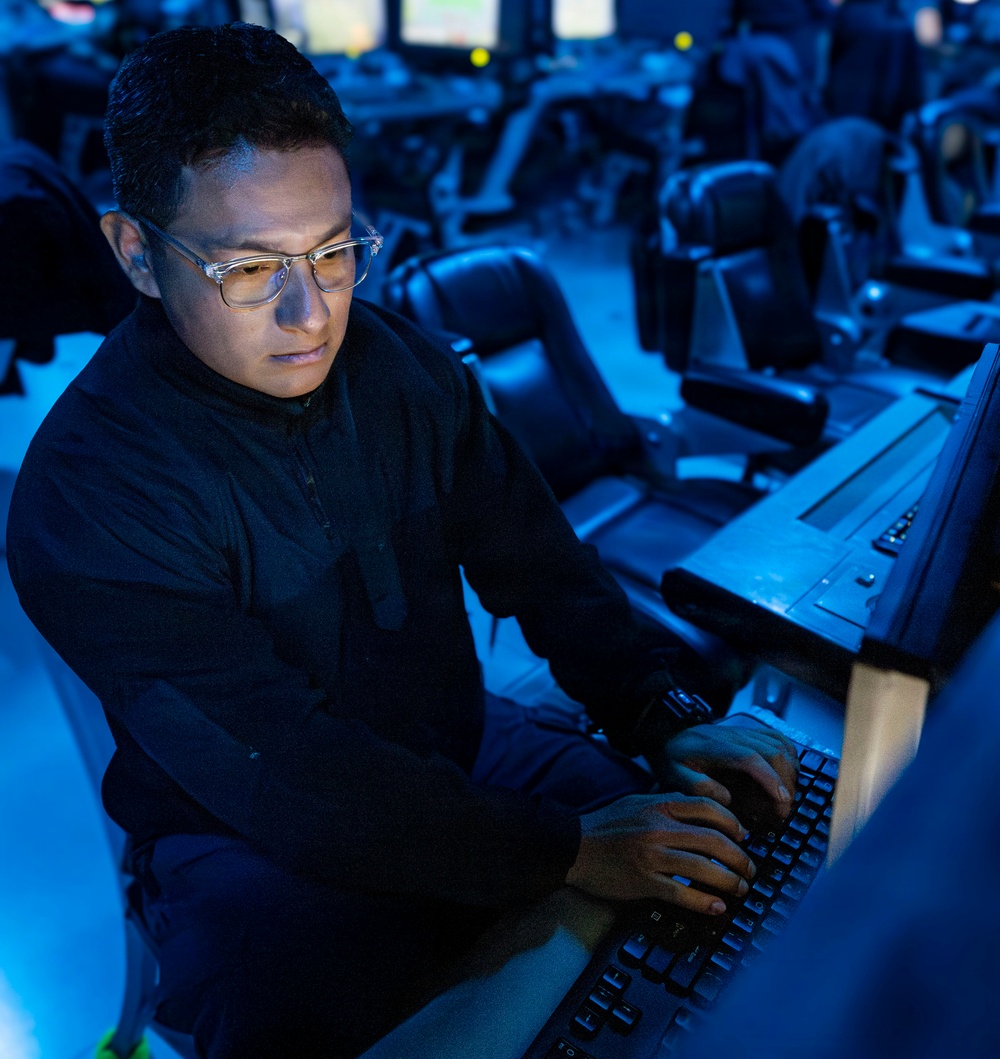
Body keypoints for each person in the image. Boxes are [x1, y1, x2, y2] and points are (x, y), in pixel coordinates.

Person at [5, 23, 798, 1059]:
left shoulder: (399, 365)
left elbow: (543, 563)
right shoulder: (90, 495)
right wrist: (560, 850)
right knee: (295, 976)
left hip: (455, 746)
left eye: (334, 250)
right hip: (241, 828)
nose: (310, 313)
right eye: (251, 270)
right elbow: (286, 769)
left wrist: (659, 709)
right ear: (138, 255)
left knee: (708, 853)